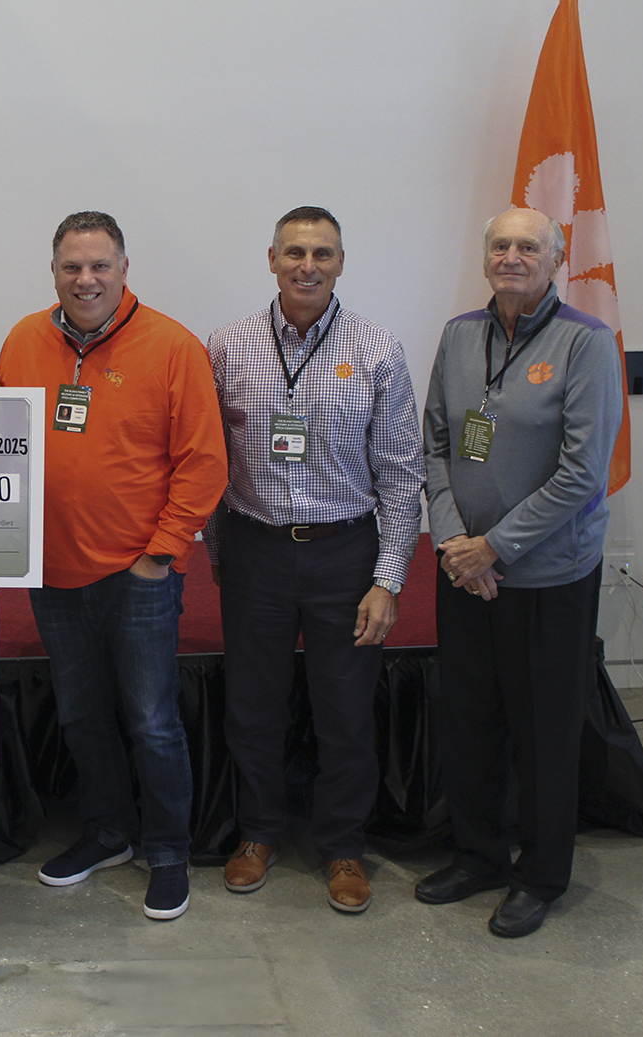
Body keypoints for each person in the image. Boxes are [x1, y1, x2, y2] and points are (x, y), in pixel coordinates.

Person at [0, 211, 226, 921]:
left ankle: (166, 851)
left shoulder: (171, 345)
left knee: (152, 720)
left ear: (124, 269)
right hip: (53, 575)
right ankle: (106, 833)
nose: (85, 279)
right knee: (82, 715)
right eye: (71, 266)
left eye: (99, 265)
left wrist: (160, 556)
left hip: (139, 577)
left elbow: (203, 462)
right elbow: (0, 446)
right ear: (54, 271)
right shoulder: (23, 340)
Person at [204, 206, 424, 913]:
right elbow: (207, 464)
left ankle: (342, 846)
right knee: (252, 705)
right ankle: (259, 832)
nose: (307, 265)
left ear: (339, 262)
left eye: (321, 253)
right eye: (294, 252)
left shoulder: (377, 348)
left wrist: (387, 579)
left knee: (344, 710)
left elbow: (399, 473)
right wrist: (221, 554)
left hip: (344, 554)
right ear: (269, 259)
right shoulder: (227, 345)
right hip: (255, 553)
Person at [418, 207, 622, 938]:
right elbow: (435, 444)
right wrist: (450, 542)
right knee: (470, 719)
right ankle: (476, 855)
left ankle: (538, 873)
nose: (511, 255)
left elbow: (580, 475)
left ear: (555, 259)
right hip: (463, 570)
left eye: (527, 245)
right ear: (484, 259)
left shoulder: (586, 344)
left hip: (544, 576)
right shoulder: (458, 335)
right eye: (500, 244)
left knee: (541, 729)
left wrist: (492, 548)